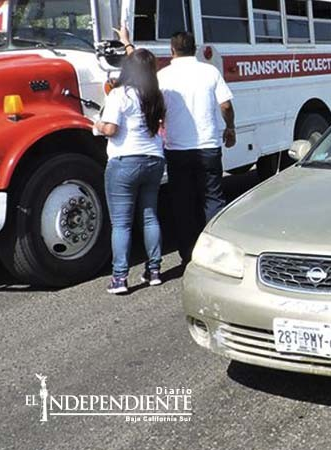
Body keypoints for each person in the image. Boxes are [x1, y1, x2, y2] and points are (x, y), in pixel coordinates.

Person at [157, 32, 236, 265]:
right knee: (213, 199)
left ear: (172, 51)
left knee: (183, 202)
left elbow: (158, 110)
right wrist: (230, 127)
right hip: (208, 147)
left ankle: (188, 256)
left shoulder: (162, 76)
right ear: (195, 49)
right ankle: (216, 252)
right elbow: (226, 105)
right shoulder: (209, 71)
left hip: (176, 149)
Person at [94, 49, 166, 294]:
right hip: (154, 160)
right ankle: (154, 270)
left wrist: (96, 124)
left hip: (124, 162)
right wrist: (127, 43)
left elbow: (111, 129)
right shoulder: (155, 95)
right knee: (149, 216)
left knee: (122, 224)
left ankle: (120, 278)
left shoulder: (119, 94)